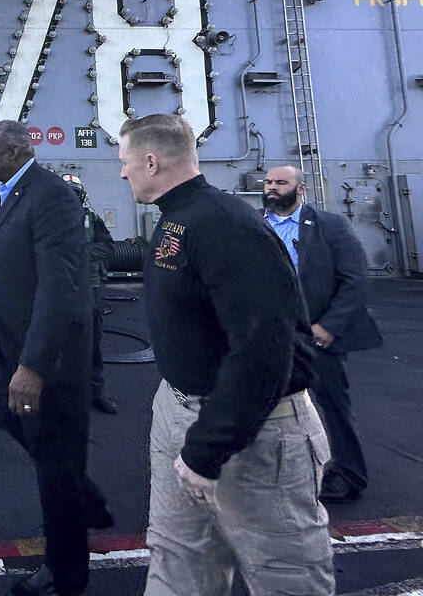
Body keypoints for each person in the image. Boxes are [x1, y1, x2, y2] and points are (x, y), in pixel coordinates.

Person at [117, 114, 333, 596]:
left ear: (151, 161)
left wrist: (207, 448)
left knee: (285, 576)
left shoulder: (225, 225)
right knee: (178, 561)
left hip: (254, 432)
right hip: (180, 412)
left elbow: (265, 348)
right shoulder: (178, 217)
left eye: (125, 160)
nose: (122, 171)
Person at [0, 121, 112, 596]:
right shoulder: (19, 193)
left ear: (14, 152)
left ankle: (65, 575)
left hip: (48, 358)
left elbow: (59, 285)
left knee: (55, 466)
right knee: (11, 421)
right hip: (13, 346)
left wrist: (33, 365)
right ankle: (85, 496)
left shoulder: (50, 195)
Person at [263, 164, 382, 504]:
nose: (272, 187)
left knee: (332, 405)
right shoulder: (254, 225)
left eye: (281, 182)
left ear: (300, 188)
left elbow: (354, 279)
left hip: (314, 334)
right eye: (268, 182)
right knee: (261, 403)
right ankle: (268, 470)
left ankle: (349, 474)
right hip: (269, 333)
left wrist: (328, 326)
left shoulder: (330, 225)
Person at [60, 174, 119, 415]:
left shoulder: (92, 220)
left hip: (89, 287)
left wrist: (79, 253)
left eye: (74, 193)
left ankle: (96, 392)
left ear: (81, 196)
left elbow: (108, 247)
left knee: (92, 342)